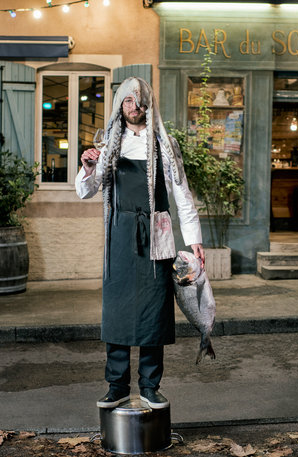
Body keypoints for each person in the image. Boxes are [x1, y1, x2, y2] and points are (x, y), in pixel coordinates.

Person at [75, 77, 204, 410]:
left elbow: (182, 195)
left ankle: (149, 385)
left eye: (141, 101)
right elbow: (86, 191)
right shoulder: (108, 145)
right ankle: (117, 385)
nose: (136, 107)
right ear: (120, 104)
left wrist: (194, 240)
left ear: (150, 104)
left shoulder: (164, 144)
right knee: (116, 311)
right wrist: (88, 167)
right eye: (129, 101)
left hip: (157, 234)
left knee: (154, 312)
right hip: (120, 235)